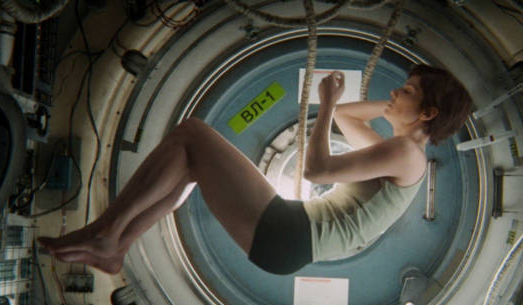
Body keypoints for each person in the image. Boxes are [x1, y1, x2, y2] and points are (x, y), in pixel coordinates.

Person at [39, 65, 472, 275]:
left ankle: (107, 232)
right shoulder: (399, 152)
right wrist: (391, 107)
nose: (394, 92)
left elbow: (317, 170)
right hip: (291, 241)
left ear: (428, 113)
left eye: (406, 91)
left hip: (292, 232)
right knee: (190, 164)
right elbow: (346, 118)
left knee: (192, 132)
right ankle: (116, 244)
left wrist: (325, 102)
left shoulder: (406, 153)